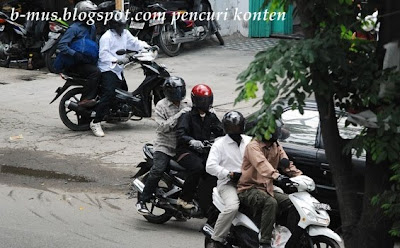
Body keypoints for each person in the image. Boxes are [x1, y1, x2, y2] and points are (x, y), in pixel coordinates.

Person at [237, 120, 302, 248]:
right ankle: (265, 242)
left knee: (294, 203)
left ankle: (288, 236)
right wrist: (277, 176)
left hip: (267, 188)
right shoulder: (253, 146)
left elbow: (287, 165)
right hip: (249, 188)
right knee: (270, 203)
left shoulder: (275, 145)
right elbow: (262, 165)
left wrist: (301, 177)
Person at [90, 10, 151, 137]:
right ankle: (96, 122)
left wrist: (148, 47)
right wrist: (117, 59)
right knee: (109, 94)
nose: (121, 28)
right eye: (119, 25)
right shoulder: (107, 37)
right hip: (108, 68)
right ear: (113, 25)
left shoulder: (125, 33)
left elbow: (134, 43)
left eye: (123, 25)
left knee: (124, 94)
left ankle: (114, 116)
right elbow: (103, 55)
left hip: (118, 69)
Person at [136, 77, 191, 214]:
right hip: (164, 146)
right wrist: (179, 115)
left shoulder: (187, 104)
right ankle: (142, 200)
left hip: (182, 146)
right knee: (158, 170)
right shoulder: (161, 106)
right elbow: (162, 128)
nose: (178, 95)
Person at [205, 111, 252, 248]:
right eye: (231, 127)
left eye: (237, 127)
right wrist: (229, 174)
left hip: (249, 182)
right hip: (228, 184)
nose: (235, 130)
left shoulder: (249, 141)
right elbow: (210, 166)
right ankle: (216, 239)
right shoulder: (219, 144)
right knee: (232, 207)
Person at [175, 84, 224, 209]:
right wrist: (192, 141)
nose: (206, 103)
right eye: (203, 100)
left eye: (208, 100)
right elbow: (180, 134)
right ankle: (184, 199)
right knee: (197, 168)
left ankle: (205, 201)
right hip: (185, 151)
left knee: (213, 170)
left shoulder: (210, 116)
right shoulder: (187, 116)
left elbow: (221, 130)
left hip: (203, 151)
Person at [56, 0, 100, 108]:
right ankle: (86, 99)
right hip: (74, 64)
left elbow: (93, 43)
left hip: (86, 61)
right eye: (91, 13)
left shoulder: (92, 27)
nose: (93, 16)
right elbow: (62, 45)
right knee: (96, 73)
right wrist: (75, 54)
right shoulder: (74, 28)